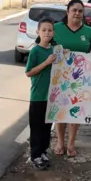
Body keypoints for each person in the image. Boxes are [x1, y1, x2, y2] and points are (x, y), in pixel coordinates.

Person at [52, 0, 91, 157]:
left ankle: (71, 144)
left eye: (80, 11)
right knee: (60, 111)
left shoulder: (89, 32)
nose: (77, 13)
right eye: (74, 10)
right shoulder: (55, 29)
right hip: (59, 79)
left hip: (80, 80)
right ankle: (60, 142)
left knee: (75, 111)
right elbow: (42, 46)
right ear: (67, 12)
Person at [25, 18, 57, 170]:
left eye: (50, 30)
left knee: (47, 127)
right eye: (44, 30)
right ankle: (35, 155)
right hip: (38, 96)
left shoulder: (55, 51)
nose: (47, 33)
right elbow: (29, 72)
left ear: (53, 32)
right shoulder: (35, 51)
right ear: (38, 32)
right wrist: (46, 63)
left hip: (51, 97)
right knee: (36, 127)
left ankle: (44, 151)